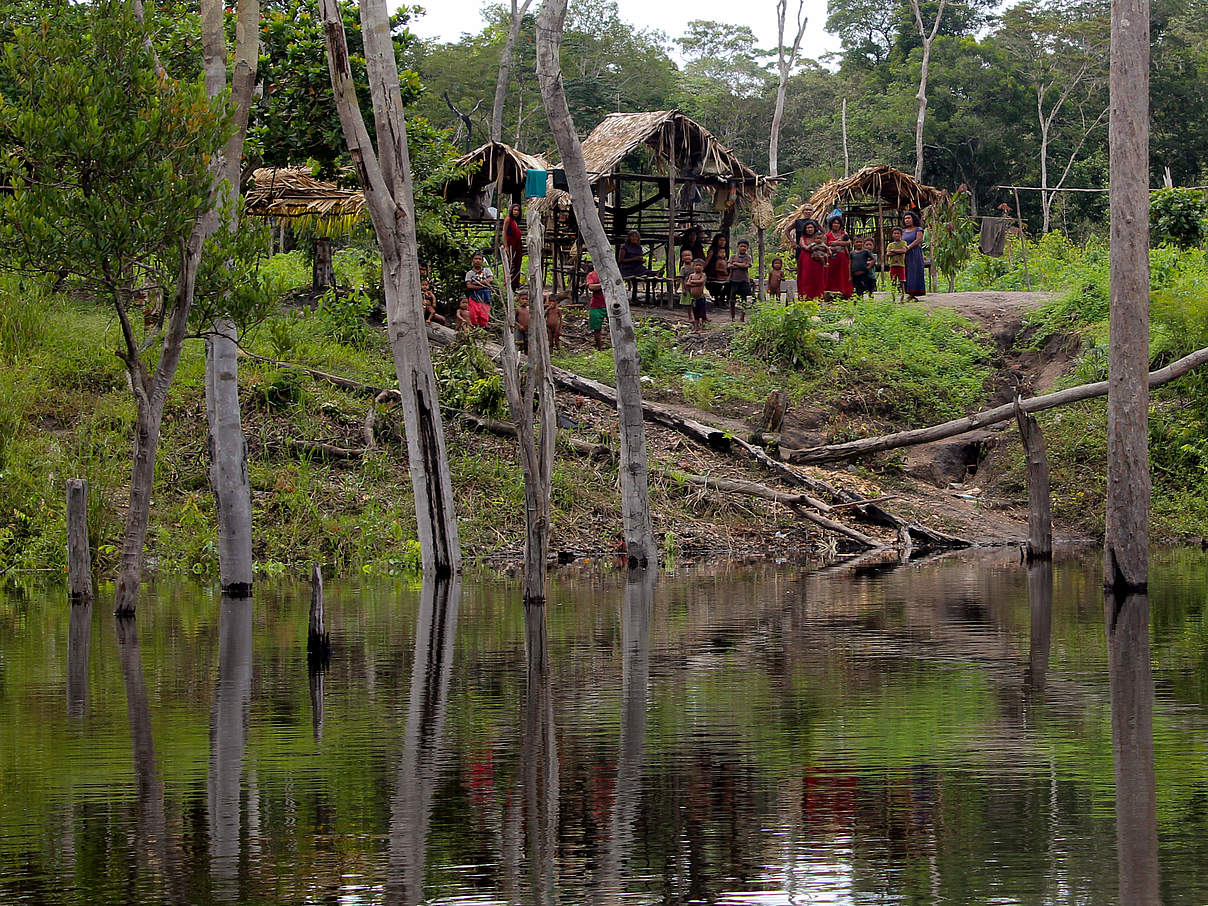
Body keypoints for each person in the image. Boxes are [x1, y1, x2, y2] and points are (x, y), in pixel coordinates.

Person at [796, 221, 828, 301]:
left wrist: (814, 248)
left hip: (817, 261)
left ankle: (818, 297)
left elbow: (824, 247)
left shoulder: (819, 237)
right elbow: (804, 247)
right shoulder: (802, 238)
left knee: (817, 279)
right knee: (805, 278)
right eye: (807, 228)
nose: (809, 229)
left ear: (815, 228)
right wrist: (814, 248)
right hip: (805, 261)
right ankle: (804, 297)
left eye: (811, 227)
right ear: (805, 229)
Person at [824, 215, 853, 299]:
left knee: (843, 275)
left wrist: (835, 243)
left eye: (838, 223)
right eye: (834, 223)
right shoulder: (827, 235)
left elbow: (848, 243)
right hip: (832, 259)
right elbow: (825, 246)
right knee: (832, 275)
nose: (836, 225)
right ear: (831, 224)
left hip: (843, 258)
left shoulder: (844, 234)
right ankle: (830, 294)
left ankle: (845, 293)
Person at [727, 239, 754, 321]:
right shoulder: (733, 256)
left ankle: (742, 317)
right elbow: (729, 266)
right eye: (741, 246)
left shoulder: (748, 257)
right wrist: (740, 265)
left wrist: (735, 264)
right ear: (738, 247)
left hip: (744, 280)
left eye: (744, 246)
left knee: (744, 299)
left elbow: (746, 265)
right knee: (732, 299)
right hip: (733, 280)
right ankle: (733, 317)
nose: (743, 248)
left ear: (747, 248)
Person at [465, 252, 494, 325]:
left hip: (485, 299)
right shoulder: (469, 273)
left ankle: (483, 333)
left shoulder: (486, 270)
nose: (477, 260)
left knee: (484, 319)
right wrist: (482, 286)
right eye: (475, 259)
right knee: (473, 317)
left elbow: (490, 280)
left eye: (479, 259)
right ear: (472, 260)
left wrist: (475, 283)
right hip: (474, 298)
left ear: (482, 261)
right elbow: (469, 286)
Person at [902, 211, 926, 298]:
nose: (907, 220)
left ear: (913, 219)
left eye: (908, 218)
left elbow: (918, 240)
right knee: (906, 272)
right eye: (905, 218)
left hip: (915, 254)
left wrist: (908, 247)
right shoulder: (903, 231)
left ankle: (913, 294)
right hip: (904, 255)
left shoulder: (918, 229)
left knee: (914, 272)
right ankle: (907, 293)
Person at [585, 267, 607, 350]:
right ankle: (599, 348)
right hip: (596, 305)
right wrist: (604, 284)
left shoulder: (610, 272)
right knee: (597, 328)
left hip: (611, 305)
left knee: (616, 327)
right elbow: (591, 287)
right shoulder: (592, 275)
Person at [704, 233, 729, 304]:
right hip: (713, 272)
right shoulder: (712, 250)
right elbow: (707, 261)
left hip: (724, 273)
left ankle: (722, 297)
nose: (722, 242)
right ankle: (717, 298)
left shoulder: (725, 250)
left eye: (724, 240)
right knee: (715, 285)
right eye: (720, 240)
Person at [503, 203, 523, 291]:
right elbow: (504, 232)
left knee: (517, 263)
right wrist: (506, 246)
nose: (516, 212)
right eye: (514, 210)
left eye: (518, 210)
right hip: (511, 244)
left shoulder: (515, 221)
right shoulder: (508, 219)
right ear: (511, 210)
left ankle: (515, 284)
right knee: (511, 264)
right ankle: (508, 284)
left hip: (517, 244)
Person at [685, 259, 708, 332]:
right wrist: (695, 283)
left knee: (702, 313)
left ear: (703, 267)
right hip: (693, 298)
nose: (698, 267)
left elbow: (701, 282)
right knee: (695, 314)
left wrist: (692, 282)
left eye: (700, 265)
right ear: (693, 266)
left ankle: (703, 328)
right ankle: (696, 327)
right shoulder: (691, 275)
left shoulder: (703, 275)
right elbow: (687, 283)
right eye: (696, 265)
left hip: (701, 297)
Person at [886, 227, 908, 300]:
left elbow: (904, 251)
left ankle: (902, 297)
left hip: (901, 265)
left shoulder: (903, 243)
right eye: (895, 233)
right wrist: (898, 251)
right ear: (892, 235)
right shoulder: (890, 245)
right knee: (893, 281)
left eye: (898, 233)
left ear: (901, 235)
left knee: (902, 282)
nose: (896, 235)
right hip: (892, 265)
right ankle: (893, 298)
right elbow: (888, 254)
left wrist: (894, 251)